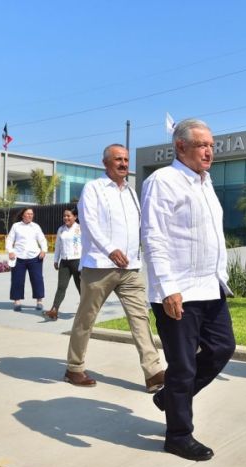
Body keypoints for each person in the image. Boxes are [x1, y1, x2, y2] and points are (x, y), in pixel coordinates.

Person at [142, 118, 235, 462]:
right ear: (180, 146)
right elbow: (153, 237)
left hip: (210, 288)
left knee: (223, 347)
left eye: (212, 145)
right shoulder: (162, 182)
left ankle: (169, 400)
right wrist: (168, 288)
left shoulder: (206, 183)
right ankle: (178, 435)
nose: (209, 151)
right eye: (202, 145)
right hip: (178, 290)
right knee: (182, 367)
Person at [63, 144, 165, 394]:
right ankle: (74, 368)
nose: (123, 164)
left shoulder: (131, 193)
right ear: (105, 163)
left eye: (126, 159)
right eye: (118, 159)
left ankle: (153, 373)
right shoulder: (94, 189)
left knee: (140, 317)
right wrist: (110, 249)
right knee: (86, 318)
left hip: (130, 267)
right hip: (100, 266)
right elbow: (89, 223)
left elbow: (139, 226)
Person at [6, 208, 48, 312]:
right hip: (19, 257)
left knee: (37, 279)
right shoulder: (16, 226)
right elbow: (9, 239)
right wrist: (10, 251)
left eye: (31, 214)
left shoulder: (36, 226)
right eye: (28, 214)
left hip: (35, 257)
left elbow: (42, 239)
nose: (30, 216)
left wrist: (44, 250)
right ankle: (17, 302)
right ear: (22, 215)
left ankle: (39, 302)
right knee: (17, 280)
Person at [44, 208, 81, 321]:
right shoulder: (61, 229)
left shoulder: (81, 229)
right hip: (64, 262)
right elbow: (58, 246)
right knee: (61, 287)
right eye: (64, 216)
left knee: (81, 287)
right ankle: (54, 310)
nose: (66, 218)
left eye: (68, 216)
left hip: (78, 261)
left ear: (75, 217)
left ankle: (87, 311)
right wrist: (56, 260)